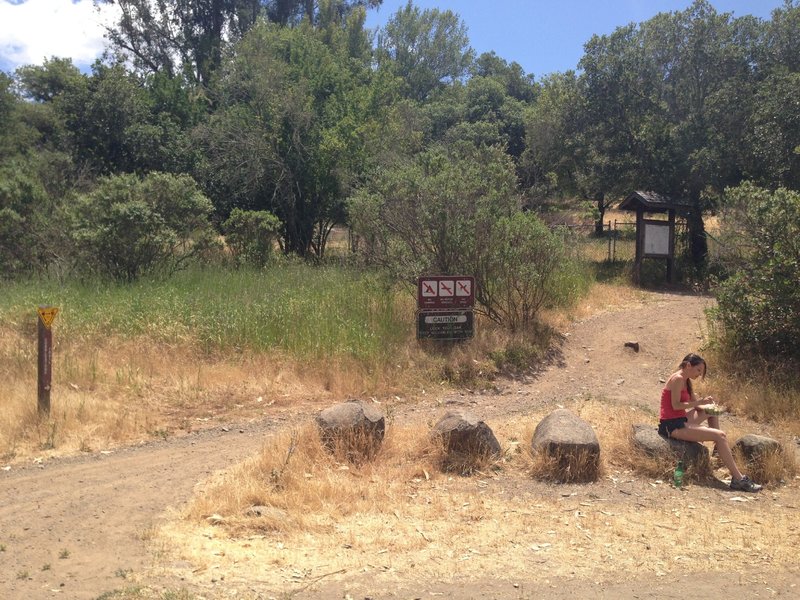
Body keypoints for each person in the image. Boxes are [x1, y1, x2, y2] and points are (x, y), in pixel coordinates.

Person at [658, 353, 762, 492]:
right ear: (688, 365)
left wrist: (707, 404)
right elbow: (676, 405)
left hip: (680, 419)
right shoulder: (677, 379)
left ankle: (718, 452)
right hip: (672, 426)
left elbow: (697, 406)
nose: (699, 374)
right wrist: (700, 402)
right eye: (698, 370)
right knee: (720, 435)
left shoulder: (686, 380)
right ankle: (738, 479)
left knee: (711, 411)